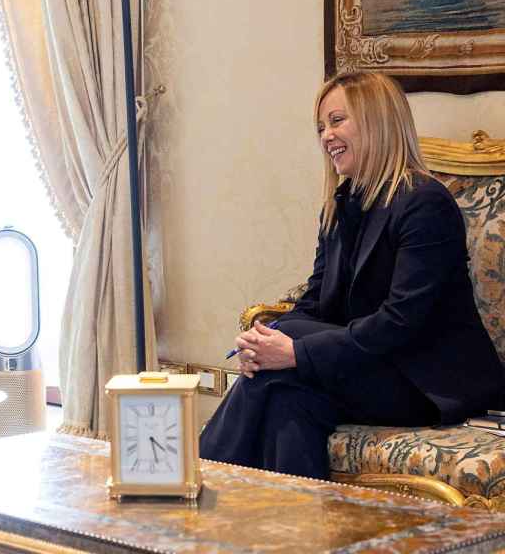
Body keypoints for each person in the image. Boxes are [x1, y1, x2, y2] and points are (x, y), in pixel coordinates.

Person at [199, 71, 505, 480]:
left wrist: (293, 352)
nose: (327, 135)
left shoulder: (425, 203)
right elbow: (315, 302)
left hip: (424, 381)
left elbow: (400, 322)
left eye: (338, 120)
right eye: (321, 126)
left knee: (278, 374)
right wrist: (265, 334)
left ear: (377, 121)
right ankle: (301, 535)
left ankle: (197, 487)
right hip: (365, 366)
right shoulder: (341, 204)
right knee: (286, 395)